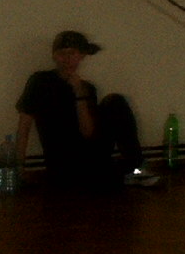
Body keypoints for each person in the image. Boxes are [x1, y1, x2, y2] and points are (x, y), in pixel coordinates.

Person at [15, 30, 159, 190]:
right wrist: (19, 168)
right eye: (62, 53)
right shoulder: (40, 81)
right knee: (100, 176)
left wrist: (79, 94)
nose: (67, 59)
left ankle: (135, 168)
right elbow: (24, 126)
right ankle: (114, 175)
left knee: (114, 101)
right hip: (62, 161)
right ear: (54, 56)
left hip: (90, 154)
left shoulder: (87, 88)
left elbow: (88, 132)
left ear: (81, 56)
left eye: (72, 53)